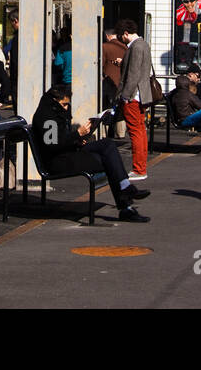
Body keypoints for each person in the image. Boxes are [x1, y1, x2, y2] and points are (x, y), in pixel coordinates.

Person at [31, 83, 150, 222]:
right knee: (108, 160)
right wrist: (77, 135)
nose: (66, 108)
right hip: (57, 161)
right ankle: (126, 204)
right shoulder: (47, 117)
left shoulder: (54, 112)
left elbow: (60, 139)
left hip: (66, 153)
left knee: (108, 145)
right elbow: (52, 146)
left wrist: (78, 139)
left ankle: (125, 189)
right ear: (54, 101)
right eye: (64, 104)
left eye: (68, 104)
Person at [117, 19, 156, 181]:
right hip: (143, 94)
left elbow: (132, 74)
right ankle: (140, 167)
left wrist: (126, 95)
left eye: (122, 36)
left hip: (133, 96)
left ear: (126, 33)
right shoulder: (144, 45)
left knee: (135, 132)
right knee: (140, 131)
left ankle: (139, 169)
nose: (121, 39)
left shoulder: (135, 47)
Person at [102, 26, 128, 138]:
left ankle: (104, 132)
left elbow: (101, 65)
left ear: (107, 36)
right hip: (122, 83)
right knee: (120, 109)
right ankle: (121, 133)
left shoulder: (104, 47)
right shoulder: (125, 47)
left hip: (108, 83)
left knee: (106, 108)